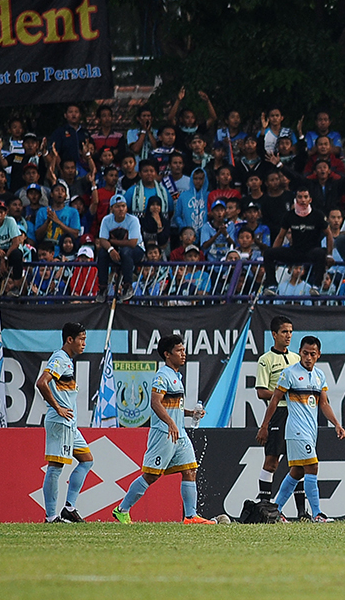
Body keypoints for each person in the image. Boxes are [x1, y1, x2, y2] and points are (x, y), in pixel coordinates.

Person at [112, 335, 213, 524]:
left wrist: (191, 414)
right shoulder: (162, 376)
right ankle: (121, 509)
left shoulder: (175, 376)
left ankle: (190, 516)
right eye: (179, 351)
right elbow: (155, 403)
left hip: (178, 433)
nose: (184, 354)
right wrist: (170, 423)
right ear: (167, 354)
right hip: (164, 433)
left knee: (190, 470)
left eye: (184, 350)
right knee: (151, 475)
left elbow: (172, 406)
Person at [257, 336, 345, 522]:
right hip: (296, 430)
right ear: (300, 353)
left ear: (318, 355)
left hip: (311, 431)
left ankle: (276, 510)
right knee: (312, 466)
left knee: (297, 472)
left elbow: (324, 404)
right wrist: (264, 425)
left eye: (312, 354)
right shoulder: (289, 373)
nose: (308, 357)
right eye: (305, 353)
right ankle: (317, 514)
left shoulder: (319, 375)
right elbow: (274, 400)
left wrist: (337, 424)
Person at [35, 322, 93, 523]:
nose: (84, 343)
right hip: (61, 421)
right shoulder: (59, 358)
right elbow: (42, 382)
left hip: (70, 424)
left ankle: (69, 508)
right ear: (70, 339)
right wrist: (57, 408)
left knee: (87, 460)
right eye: (82, 339)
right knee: (55, 467)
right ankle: (51, 517)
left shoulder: (67, 360)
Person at [253, 316, 307, 516]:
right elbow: (261, 391)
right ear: (274, 334)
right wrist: (285, 393)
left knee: (299, 462)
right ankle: (264, 507)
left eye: (291, 332)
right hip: (277, 413)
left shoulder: (296, 359)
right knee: (272, 461)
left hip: (297, 414)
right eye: (284, 332)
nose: (289, 336)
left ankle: (302, 512)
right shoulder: (266, 360)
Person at [262, 187, 331, 292]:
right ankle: (271, 285)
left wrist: (330, 255)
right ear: (296, 199)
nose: (303, 200)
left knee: (321, 253)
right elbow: (281, 236)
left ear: (310, 200)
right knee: (268, 253)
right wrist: (274, 254)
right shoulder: (289, 215)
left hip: (311, 252)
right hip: (295, 251)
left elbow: (329, 234)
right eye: (300, 197)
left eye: (305, 197)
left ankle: (316, 286)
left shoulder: (317, 215)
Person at [96, 194, 145, 302]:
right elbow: (103, 240)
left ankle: (128, 286)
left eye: (123, 206)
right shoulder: (106, 220)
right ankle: (103, 288)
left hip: (136, 250)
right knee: (103, 253)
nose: (121, 209)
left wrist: (112, 242)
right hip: (116, 249)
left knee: (126, 252)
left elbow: (132, 243)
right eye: (117, 206)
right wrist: (111, 250)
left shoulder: (133, 220)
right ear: (112, 208)